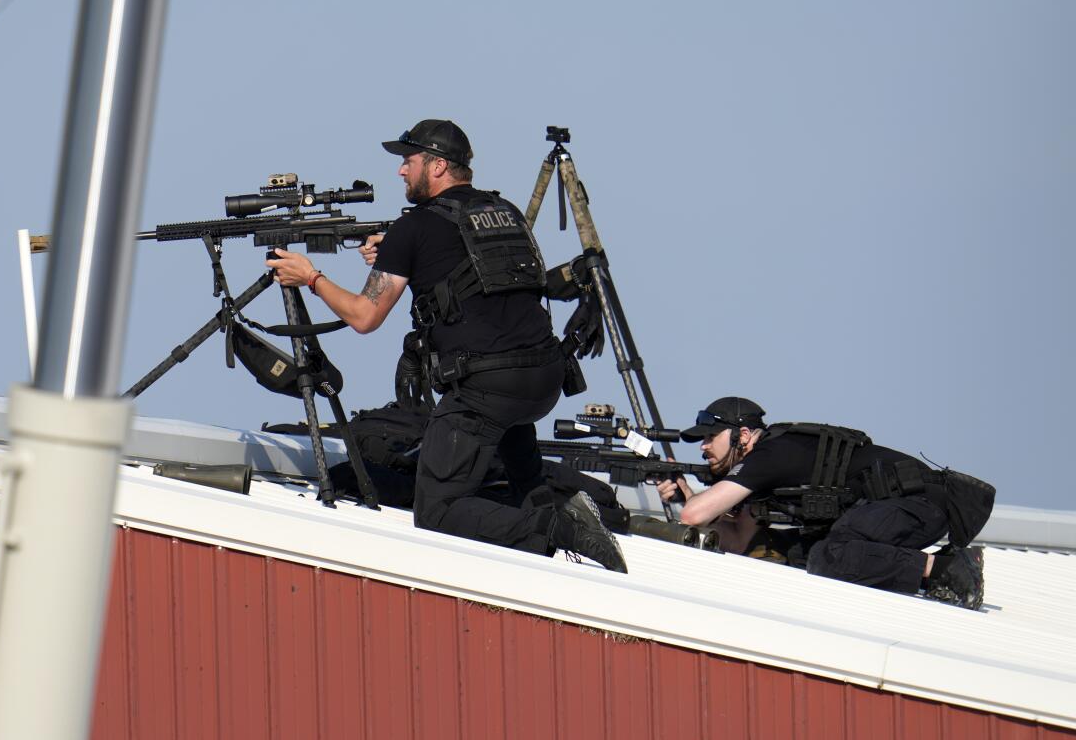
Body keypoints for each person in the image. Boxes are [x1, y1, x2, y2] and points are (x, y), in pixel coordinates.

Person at [267, 119, 626, 573]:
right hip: (542, 376)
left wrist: (311, 278)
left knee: (437, 510)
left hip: (486, 386)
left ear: (437, 166)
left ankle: (564, 530)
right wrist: (401, 255)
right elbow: (474, 272)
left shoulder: (413, 229)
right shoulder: (506, 211)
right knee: (520, 469)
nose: (400, 171)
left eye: (408, 160)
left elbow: (364, 315)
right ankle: (560, 514)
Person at [657, 397, 994, 609]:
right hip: (899, 509)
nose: (703, 447)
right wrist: (691, 496)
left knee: (831, 554)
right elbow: (742, 541)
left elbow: (693, 514)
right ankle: (939, 566)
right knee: (796, 550)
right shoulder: (768, 462)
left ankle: (947, 571)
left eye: (709, 437)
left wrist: (691, 500)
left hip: (919, 502)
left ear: (743, 435)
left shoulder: (769, 455)